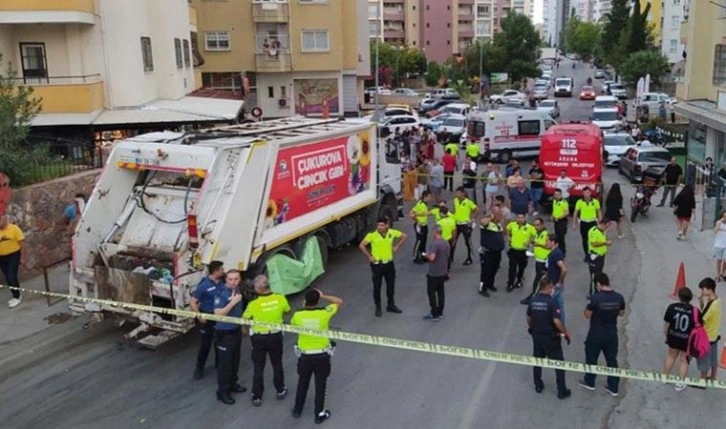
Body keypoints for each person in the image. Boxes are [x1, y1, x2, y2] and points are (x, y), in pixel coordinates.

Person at [291, 289, 343, 424]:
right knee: (321, 385)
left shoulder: (298, 316)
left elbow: (293, 324)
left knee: (303, 382)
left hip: (305, 356)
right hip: (322, 355)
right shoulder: (324, 313)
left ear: (305, 301)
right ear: (317, 300)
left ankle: (297, 409)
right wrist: (324, 295)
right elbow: (339, 301)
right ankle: (319, 414)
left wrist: (304, 308)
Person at [242, 274, 291, 407]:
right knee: (277, 364)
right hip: (275, 336)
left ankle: (257, 395)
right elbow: (287, 310)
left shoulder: (253, 304)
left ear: (259, 288)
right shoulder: (280, 298)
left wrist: (244, 329)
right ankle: (280, 390)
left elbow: (245, 319)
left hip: (258, 338)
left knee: (258, 366)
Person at [578, 273, 625, 396]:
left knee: (591, 357)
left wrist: (589, 304)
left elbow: (587, 315)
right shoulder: (619, 297)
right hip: (611, 333)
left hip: (596, 333)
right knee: (612, 360)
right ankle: (613, 387)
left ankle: (590, 381)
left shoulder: (595, 298)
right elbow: (621, 313)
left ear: (598, 284)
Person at [527, 277, 572, 399]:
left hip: (537, 336)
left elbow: (529, 318)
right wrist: (565, 332)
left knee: (537, 361)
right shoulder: (552, 302)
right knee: (559, 364)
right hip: (551, 338)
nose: (552, 290)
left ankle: (538, 385)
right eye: (551, 287)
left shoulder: (533, 300)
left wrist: (531, 328)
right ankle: (561, 390)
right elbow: (556, 321)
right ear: (547, 288)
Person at [358, 217, 407, 317]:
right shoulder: (372, 235)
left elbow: (404, 236)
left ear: (386, 225)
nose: (379, 227)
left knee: (391, 286)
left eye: (381, 225)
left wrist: (397, 246)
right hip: (377, 265)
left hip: (389, 263)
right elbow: (362, 245)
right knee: (377, 287)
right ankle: (378, 307)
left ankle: (391, 305)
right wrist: (369, 256)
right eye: (378, 225)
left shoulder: (392, 233)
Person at [213, 269, 247, 405]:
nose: (233, 282)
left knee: (235, 360)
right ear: (225, 280)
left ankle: (233, 383)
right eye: (230, 279)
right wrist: (232, 302)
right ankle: (222, 392)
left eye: (236, 279)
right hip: (224, 333)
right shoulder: (220, 292)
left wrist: (242, 327)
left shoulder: (238, 290)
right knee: (225, 365)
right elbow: (218, 314)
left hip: (236, 330)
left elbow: (240, 311)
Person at [190, 260, 225, 379]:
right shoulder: (204, 285)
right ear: (215, 271)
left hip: (219, 316)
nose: (223, 271)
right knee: (205, 344)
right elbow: (193, 302)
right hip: (207, 316)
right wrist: (199, 316)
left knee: (219, 341)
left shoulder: (222, 282)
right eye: (221, 269)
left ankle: (219, 363)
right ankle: (199, 368)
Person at [663, 287, 696, 392]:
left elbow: (667, 324)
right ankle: (680, 384)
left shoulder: (672, 307)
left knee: (671, 356)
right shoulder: (695, 311)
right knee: (684, 361)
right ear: (691, 298)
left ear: (679, 297)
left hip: (673, 336)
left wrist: (667, 335)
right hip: (687, 340)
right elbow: (697, 329)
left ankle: (665, 377)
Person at [422, 225, 450, 321]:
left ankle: (434, 313)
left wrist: (425, 255)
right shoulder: (445, 243)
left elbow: (432, 258)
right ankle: (440, 312)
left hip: (434, 272)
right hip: (443, 271)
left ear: (435, 232)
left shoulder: (435, 244)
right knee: (441, 292)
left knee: (431, 293)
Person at [696, 277, 722, 383]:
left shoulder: (711, 305)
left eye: (703, 289)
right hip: (715, 334)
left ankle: (702, 382)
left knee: (704, 361)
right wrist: (702, 301)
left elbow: (701, 320)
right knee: (713, 359)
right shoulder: (717, 300)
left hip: (707, 337)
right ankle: (713, 377)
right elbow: (705, 311)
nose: (702, 291)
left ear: (708, 289)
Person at [521, 218, 549, 305]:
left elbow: (547, 246)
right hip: (538, 259)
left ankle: (534, 296)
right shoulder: (537, 233)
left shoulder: (546, 234)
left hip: (543, 261)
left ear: (542, 224)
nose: (535, 227)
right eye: (534, 225)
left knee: (538, 279)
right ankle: (537, 294)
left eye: (537, 225)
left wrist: (535, 243)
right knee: (539, 278)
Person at [505, 213, 535, 292]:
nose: (520, 219)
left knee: (522, 267)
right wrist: (508, 236)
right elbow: (507, 229)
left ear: (525, 218)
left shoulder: (530, 227)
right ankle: (510, 283)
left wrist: (530, 242)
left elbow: (535, 236)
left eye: (522, 217)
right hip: (513, 250)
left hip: (523, 251)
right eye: (518, 217)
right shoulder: (512, 224)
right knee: (512, 268)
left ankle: (519, 280)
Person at [478, 211, 505, 297]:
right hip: (487, 252)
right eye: (499, 215)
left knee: (494, 269)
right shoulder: (487, 224)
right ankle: (483, 288)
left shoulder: (499, 225)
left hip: (497, 252)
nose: (501, 217)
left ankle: (490, 284)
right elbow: (482, 222)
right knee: (486, 270)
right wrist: (491, 217)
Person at [0, 215, 24, 309]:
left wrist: (23, 257)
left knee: (11, 276)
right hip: (1, 257)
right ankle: (15, 294)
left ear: (4, 218)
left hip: (13, 255)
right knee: (7, 277)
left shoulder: (14, 229)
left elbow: (22, 242)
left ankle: (17, 297)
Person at [572, 187, 601, 263]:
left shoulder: (595, 202)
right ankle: (587, 254)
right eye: (585, 193)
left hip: (593, 223)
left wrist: (600, 222)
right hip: (584, 223)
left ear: (590, 193)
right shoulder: (579, 202)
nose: (586, 195)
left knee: (593, 239)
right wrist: (574, 224)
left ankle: (593, 253)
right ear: (583, 194)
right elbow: (575, 213)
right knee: (584, 240)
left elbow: (599, 212)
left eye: (588, 193)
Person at [452, 187, 479, 266]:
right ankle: (450, 256)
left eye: (458, 193)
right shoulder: (455, 200)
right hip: (456, 223)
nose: (457, 194)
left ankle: (469, 258)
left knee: (468, 242)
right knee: (453, 240)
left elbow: (477, 210)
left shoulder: (468, 202)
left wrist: (472, 219)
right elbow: (455, 210)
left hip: (465, 224)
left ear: (463, 193)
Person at [587, 219, 612, 297]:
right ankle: (592, 294)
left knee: (599, 274)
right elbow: (594, 243)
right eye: (607, 226)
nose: (607, 228)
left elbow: (603, 237)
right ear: (603, 224)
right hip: (595, 257)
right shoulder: (593, 231)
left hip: (601, 257)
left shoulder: (602, 231)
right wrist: (605, 243)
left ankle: (598, 290)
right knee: (594, 275)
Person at [409, 190, 432, 264]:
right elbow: (411, 214)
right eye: (429, 196)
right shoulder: (420, 204)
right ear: (425, 196)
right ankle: (415, 257)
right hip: (419, 225)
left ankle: (423, 255)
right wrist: (417, 221)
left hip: (425, 225)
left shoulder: (425, 204)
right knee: (419, 241)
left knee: (424, 241)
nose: (430, 198)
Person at [436, 205, 458, 270]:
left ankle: (442, 269)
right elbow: (454, 231)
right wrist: (453, 239)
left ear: (442, 213)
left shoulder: (439, 222)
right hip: (449, 240)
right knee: (447, 255)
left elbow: (437, 232)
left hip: (441, 241)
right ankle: (447, 269)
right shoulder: (452, 221)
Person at [551, 189, 570, 257]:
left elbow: (567, 212)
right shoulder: (554, 201)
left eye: (558, 194)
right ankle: (558, 250)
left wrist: (559, 217)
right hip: (556, 222)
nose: (557, 196)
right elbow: (554, 209)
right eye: (555, 194)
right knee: (557, 236)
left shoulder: (564, 202)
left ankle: (563, 252)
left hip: (562, 222)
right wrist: (552, 215)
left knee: (561, 237)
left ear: (561, 195)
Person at [713, 211, 726, 281]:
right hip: (719, 244)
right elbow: (715, 231)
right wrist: (719, 223)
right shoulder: (719, 223)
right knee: (719, 260)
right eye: (724, 216)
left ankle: (723, 272)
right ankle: (718, 274)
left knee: (725, 259)